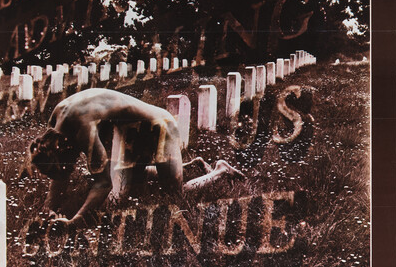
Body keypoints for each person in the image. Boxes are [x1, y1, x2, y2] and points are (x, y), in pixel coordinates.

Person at [29, 88, 243, 228]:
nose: (74, 165)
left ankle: (220, 171)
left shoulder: (81, 127)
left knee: (174, 193)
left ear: (63, 148)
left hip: (159, 125)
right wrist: (48, 210)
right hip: (130, 131)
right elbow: (59, 176)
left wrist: (75, 221)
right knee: (135, 190)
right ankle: (192, 165)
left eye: (70, 164)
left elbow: (103, 184)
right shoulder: (56, 123)